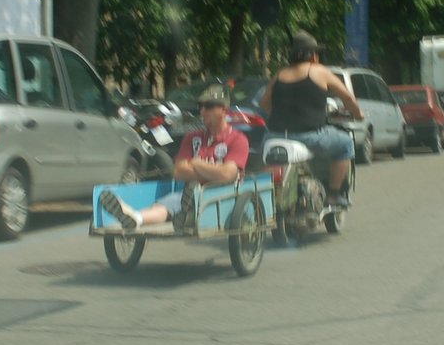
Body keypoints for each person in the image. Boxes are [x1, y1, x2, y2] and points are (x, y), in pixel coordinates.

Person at [100, 84, 248, 231]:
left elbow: (228, 174)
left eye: (208, 106)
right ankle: (136, 217)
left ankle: (188, 215)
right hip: (189, 195)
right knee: (167, 203)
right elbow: (179, 171)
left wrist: (196, 163)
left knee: (190, 196)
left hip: (222, 196)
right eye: (200, 106)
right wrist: (213, 172)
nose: (202, 111)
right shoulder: (192, 138)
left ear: (224, 109)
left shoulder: (237, 139)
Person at [259, 31, 364, 207]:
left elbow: (264, 104)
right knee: (345, 144)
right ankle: (333, 194)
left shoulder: (279, 74)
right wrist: (358, 115)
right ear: (313, 55)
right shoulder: (319, 71)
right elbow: (348, 98)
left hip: (273, 136)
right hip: (309, 136)